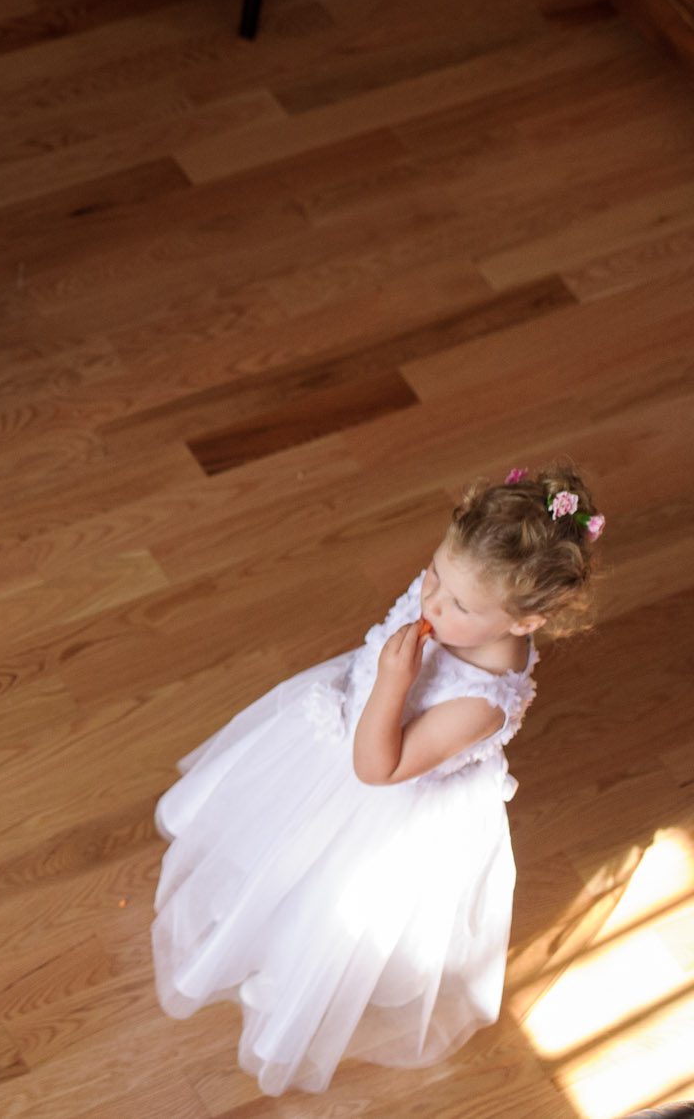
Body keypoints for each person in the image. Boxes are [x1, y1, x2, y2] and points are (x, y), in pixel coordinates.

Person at [151, 465, 607, 1094]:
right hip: (332, 738)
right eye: (434, 575)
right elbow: (433, 607)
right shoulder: (448, 606)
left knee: (319, 899)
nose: (431, 603)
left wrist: (394, 681)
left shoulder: (480, 703)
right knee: (276, 846)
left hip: (379, 802)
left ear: (523, 623)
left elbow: (377, 769)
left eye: (457, 604)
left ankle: (289, 963)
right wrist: (407, 645)